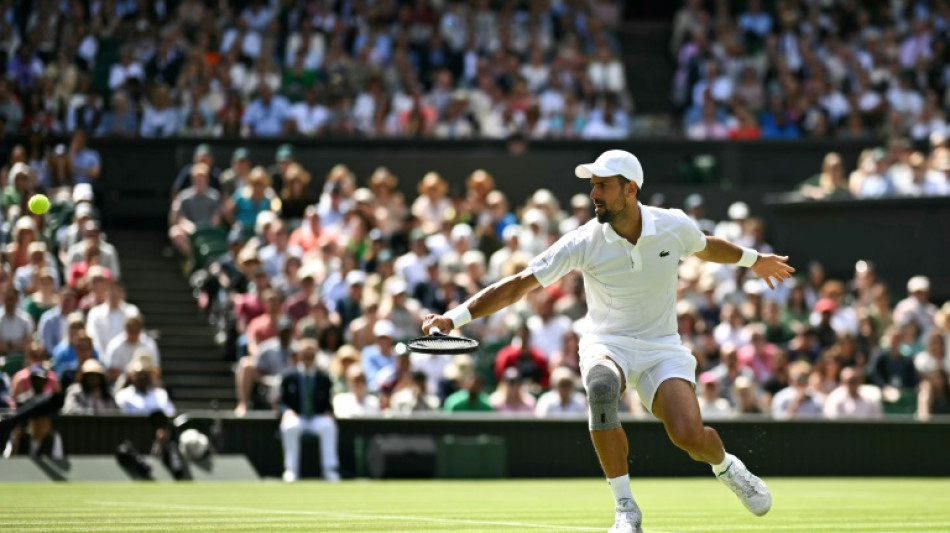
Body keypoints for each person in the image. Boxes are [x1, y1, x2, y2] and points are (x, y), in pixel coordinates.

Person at [423, 149, 789, 531]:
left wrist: (753, 259)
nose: (593, 194)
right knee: (600, 388)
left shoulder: (672, 225)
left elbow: (706, 245)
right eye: (592, 185)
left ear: (630, 189)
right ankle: (626, 508)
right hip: (606, 343)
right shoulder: (582, 240)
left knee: (689, 436)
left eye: (602, 185)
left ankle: (727, 466)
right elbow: (518, 285)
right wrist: (455, 316)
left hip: (661, 348)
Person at [278, 339, 339, 482]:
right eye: (305, 354)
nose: (308, 357)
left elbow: (327, 402)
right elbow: (282, 401)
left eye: (311, 354)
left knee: (329, 426)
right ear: (299, 355)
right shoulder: (288, 376)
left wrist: (328, 412)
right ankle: (291, 470)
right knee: (290, 427)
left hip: (316, 418)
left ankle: (330, 470)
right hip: (296, 417)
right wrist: (286, 411)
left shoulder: (324, 377)